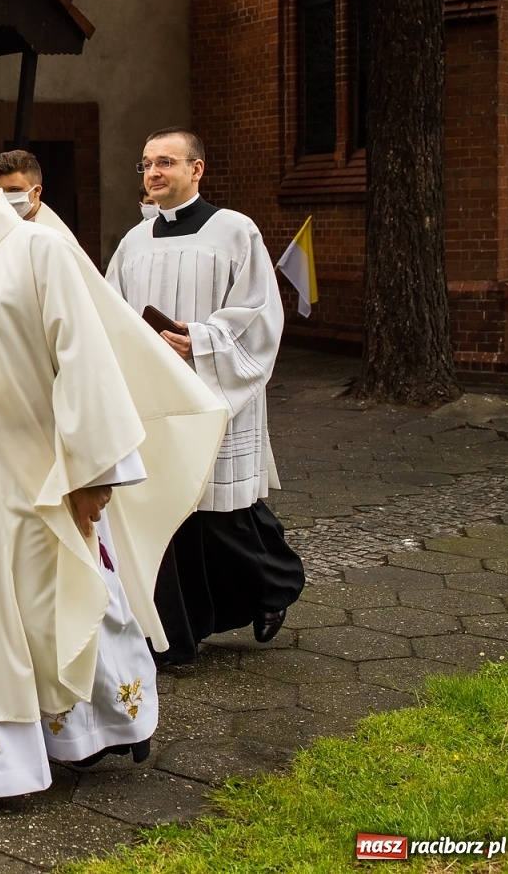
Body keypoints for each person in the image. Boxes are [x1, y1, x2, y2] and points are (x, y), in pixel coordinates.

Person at [0, 134, 225, 804]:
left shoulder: (37, 253)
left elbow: (87, 363)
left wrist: (94, 473)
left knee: (54, 601)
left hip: (31, 472)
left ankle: (105, 725)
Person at [106, 127, 305, 665]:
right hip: (157, 400)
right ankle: (178, 633)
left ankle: (276, 584)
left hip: (218, 391)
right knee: (172, 516)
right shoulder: (133, 242)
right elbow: (113, 315)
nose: (153, 173)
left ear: (197, 169)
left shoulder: (234, 231)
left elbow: (260, 311)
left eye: (166, 162)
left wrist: (201, 339)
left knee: (224, 514)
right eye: (146, 164)